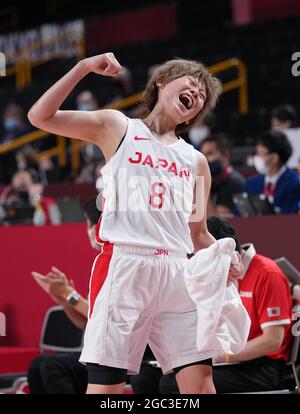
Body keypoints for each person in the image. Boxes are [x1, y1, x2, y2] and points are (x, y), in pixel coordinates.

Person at [28, 52, 245, 394]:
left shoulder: (196, 160)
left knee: (201, 386)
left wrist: (223, 257)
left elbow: (198, 232)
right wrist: (84, 67)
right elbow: (40, 116)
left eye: (203, 96)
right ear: (161, 81)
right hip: (126, 266)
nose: (198, 94)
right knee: (106, 390)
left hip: (177, 271)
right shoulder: (118, 127)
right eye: (193, 83)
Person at [132, 216, 293, 394]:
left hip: (263, 367)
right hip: (226, 357)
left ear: (230, 256)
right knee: (145, 378)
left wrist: (223, 356)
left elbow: (273, 341)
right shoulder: (208, 273)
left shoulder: (268, 274)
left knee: (170, 384)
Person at [28, 197, 107, 394]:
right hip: (96, 352)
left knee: (52, 367)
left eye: (88, 225)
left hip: (116, 356)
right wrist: (62, 299)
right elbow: (86, 323)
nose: (87, 231)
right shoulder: (100, 261)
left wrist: (69, 294)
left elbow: (100, 315)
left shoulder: (117, 261)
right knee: (37, 365)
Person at [245, 130, 300, 214]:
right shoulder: (251, 183)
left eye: (259, 154)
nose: (256, 158)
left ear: (274, 158)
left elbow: (290, 216)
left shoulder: (295, 183)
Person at [199, 134, 245, 217]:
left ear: (225, 154)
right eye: (202, 155)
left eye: (209, 154)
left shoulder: (234, 182)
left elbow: (214, 219)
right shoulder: (214, 180)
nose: (204, 159)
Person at [271, 104, 300, 171]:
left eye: (275, 124)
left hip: (288, 172)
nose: (273, 127)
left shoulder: (277, 135)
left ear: (287, 123)